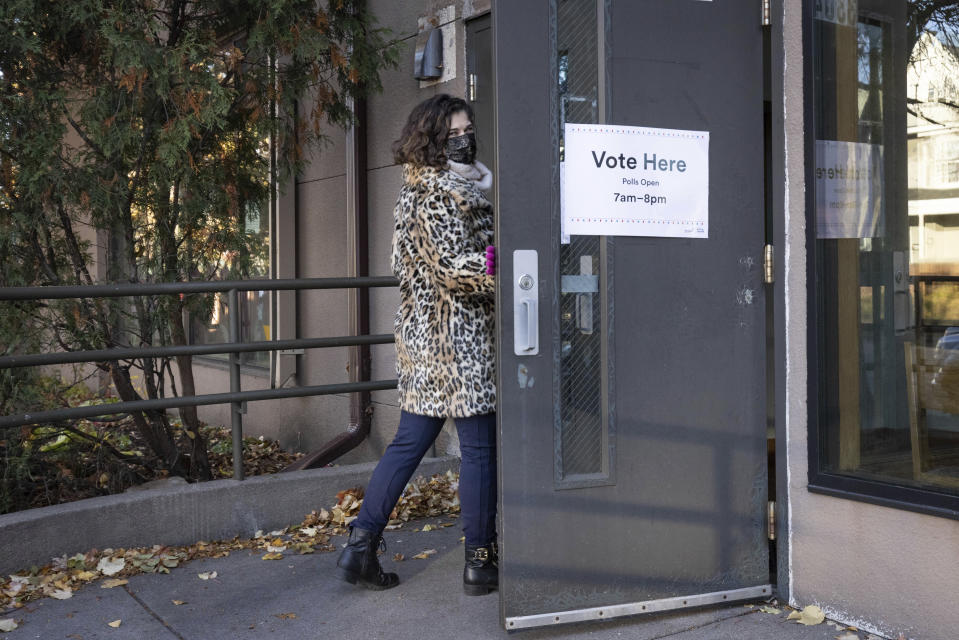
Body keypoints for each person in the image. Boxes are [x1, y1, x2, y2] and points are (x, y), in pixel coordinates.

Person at [335, 94, 498, 596]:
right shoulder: (435, 195)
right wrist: (505, 263)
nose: (466, 138)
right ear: (431, 140)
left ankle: (360, 548)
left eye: (468, 129)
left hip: (432, 342)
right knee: (477, 450)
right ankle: (480, 562)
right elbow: (454, 270)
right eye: (453, 134)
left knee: (410, 443)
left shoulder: (448, 188)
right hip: (455, 340)